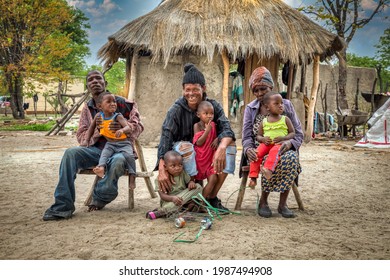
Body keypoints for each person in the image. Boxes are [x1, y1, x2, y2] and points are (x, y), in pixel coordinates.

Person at [42, 70, 144, 221]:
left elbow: (139, 126)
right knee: (70, 153)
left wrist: (122, 127)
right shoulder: (88, 109)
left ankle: (102, 196)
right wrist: (98, 129)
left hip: (119, 150)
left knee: (118, 161)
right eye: (90, 79)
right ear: (88, 86)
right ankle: (63, 207)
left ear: (105, 83)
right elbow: (82, 137)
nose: (95, 81)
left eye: (98, 78)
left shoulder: (122, 104)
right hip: (96, 152)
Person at [156, 63, 236, 211]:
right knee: (187, 147)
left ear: (203, 88)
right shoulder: (176, 110)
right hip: (183, 151)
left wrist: (222, 147)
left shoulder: (213, 106)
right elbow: (166, 137)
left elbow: (227, 129)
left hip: (207, 149)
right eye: (187, 90)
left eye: (195, 89)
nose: (191, 94)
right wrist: (161, 167)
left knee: (230, 146)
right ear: (183, 90)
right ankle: (192, 196)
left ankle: (211, 197)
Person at [241, 66, 303, 218]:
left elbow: (298, 134)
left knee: (290, 159)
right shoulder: (251, 108)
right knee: (264, 158)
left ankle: (282, 204)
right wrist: (248, 148)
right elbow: (247, 135)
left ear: (271, 86)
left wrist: (288, 144)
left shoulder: (285, 105)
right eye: (255, 90)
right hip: (260, 148)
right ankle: (263, 201)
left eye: (263, 89)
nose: (259, 93)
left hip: (283, 148)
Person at [81, 92, 136, 190]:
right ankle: (101, 168)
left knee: (130, 157)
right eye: (109, 101)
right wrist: (86, 140)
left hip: (123, 144)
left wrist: (122, 130)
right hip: (110, 144)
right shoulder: (98, 116)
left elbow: (128, 127)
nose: (113, 103)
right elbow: (91, 129)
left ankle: (132, 176)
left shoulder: (118, 116)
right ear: (99, 106)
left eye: (114, 101)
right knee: (104, 156)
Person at [248, 91, 295, 186]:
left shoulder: (285, 119)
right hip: (266, 144)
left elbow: (293, 133)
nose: (280, 105)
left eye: (281, 103)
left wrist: (284, 138)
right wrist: (263, 139)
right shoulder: (264, 121)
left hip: (279, 144)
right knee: (256, 154)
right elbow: (258, 136)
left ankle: (268, 170)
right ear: (267, 107)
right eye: (276, 104)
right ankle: (253, 177)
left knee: (274, 152)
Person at [147, 151, 202, 219]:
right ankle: (162, 212)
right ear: (165, 167)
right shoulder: (160, 180)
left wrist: (191, 183)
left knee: (198, 187)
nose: (177, 168)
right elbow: (162, 196)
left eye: (180, 165)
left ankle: (171, 213)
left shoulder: (183, 174)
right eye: (173, 166)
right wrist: (172, 198)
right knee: (173, 206)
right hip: (170, 202)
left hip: (183, 199)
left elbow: (189, 183)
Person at [192, 101, 220, 201]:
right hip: (199, 159)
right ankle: (197, 201)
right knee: (198, 183)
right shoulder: (197, 126)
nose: (209, 116)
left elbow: (216, 137)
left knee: (213, 179)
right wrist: (207, 130)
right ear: (198, 114)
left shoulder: (213, 125)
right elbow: (198, 142)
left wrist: (217, 139)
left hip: (209, 159)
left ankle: (202, 200)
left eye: (211, 114)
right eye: (206, 113)